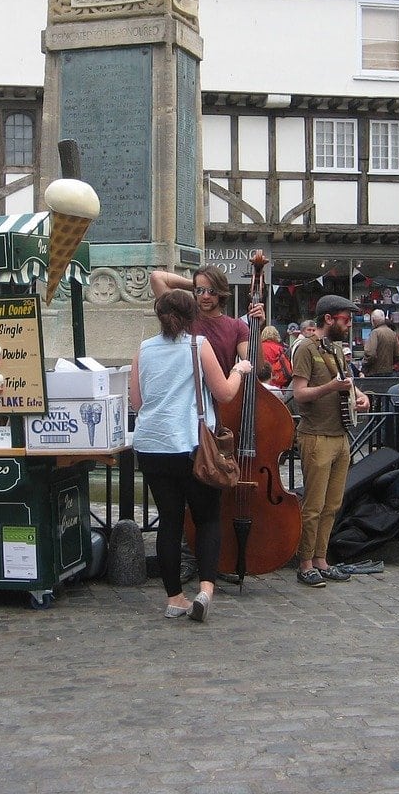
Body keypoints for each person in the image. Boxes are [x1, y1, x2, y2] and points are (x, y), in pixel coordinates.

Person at [130, 288, 251, 622]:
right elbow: (224, 393)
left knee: (169, 521)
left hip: (152, 445)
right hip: (191, 445)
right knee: (207, 518)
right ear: (191, 317)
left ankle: (174, 598)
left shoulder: (143, 349)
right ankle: (206, 589)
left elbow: (137, 403)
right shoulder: (198, 345)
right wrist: (240, 370)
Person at [151, 264, 263, 582]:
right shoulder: (186, 318)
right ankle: (189, 557)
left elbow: (253, 365)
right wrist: (198, 281)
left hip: (222, 414)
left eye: (212, 291)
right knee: (192, 492)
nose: (204, 297)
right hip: (189, 417)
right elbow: (157, 278)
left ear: (223, 294)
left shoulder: (235, 327)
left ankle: (216, 558)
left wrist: (257, 328)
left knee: (216, 490)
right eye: (200, 291)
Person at [290, 294, 370, 587]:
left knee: (332, 504)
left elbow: (347, 382)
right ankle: (305, 562)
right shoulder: (305, 348)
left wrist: (360, 396)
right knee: (313, 506)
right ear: (328, 319)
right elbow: (299, 394)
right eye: (345, 320)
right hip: (316, 435)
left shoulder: (336, 349)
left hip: (340, 435)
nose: (349, 325)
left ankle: (322, 559)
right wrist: (330, 387)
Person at [361, 309, 399, 376]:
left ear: (373, 320)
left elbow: (371, 354)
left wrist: (364, 364)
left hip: (374, 372)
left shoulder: (375, 333)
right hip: (389, 372)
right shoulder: (392, 333)